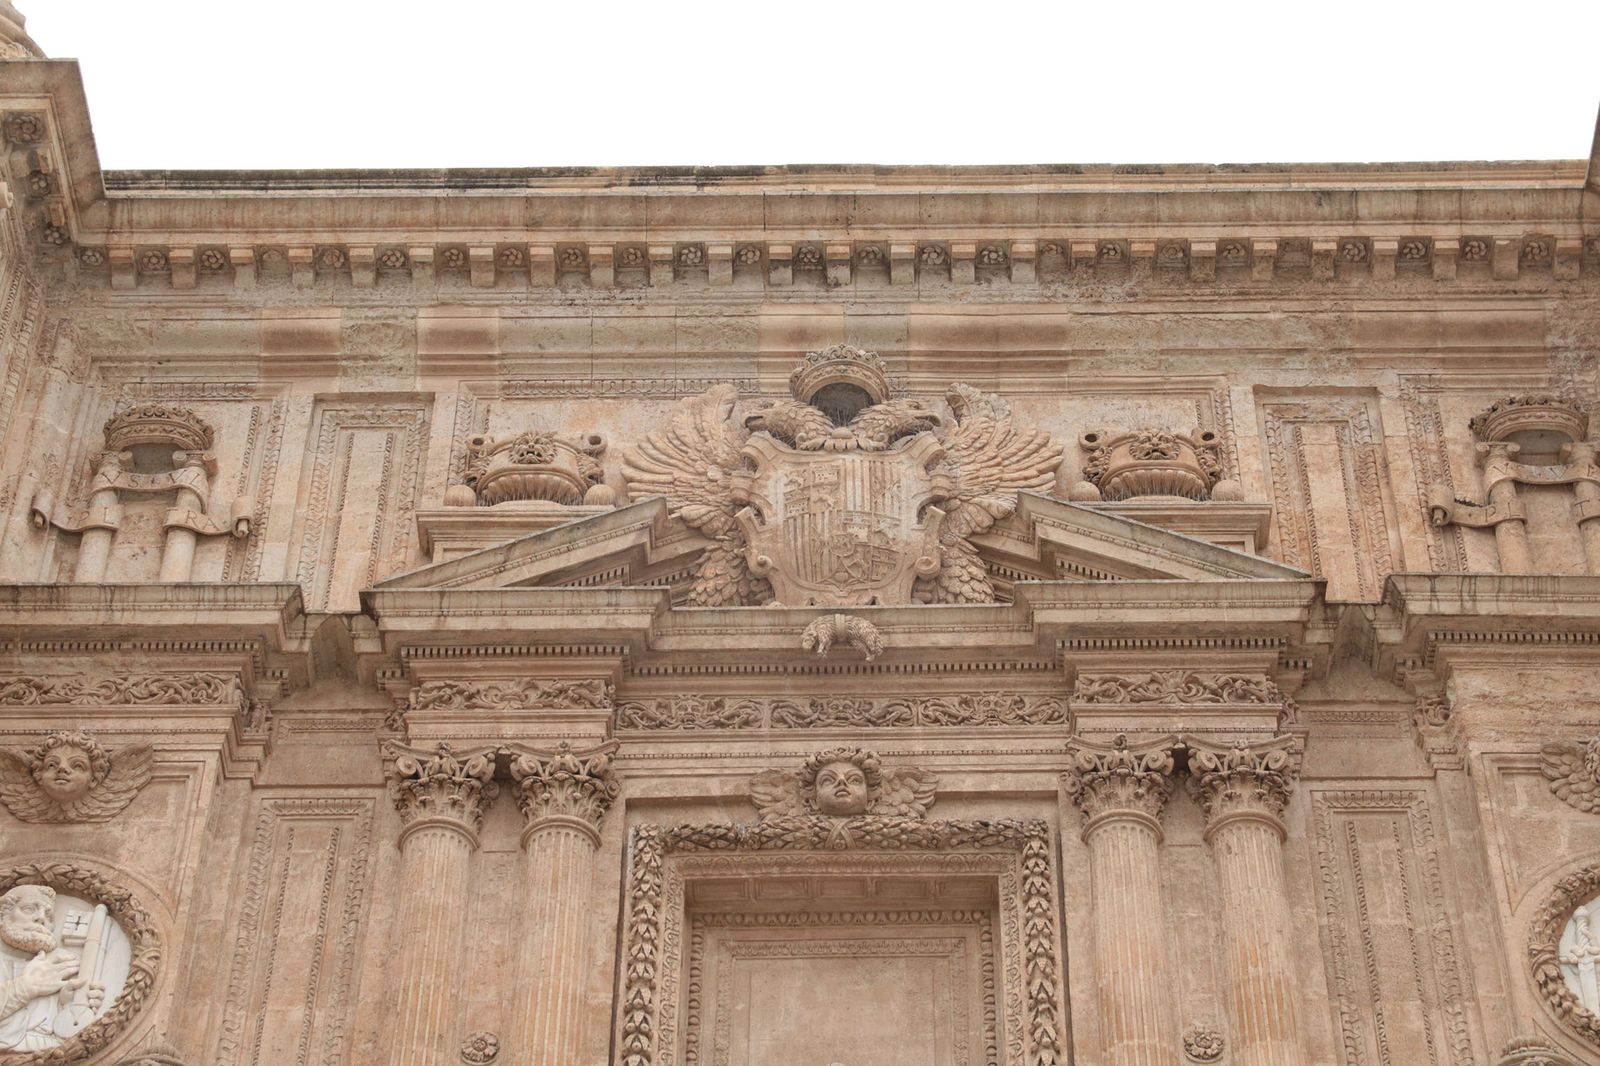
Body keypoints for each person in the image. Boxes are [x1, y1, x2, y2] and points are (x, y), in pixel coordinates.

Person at [0, 885, 102, 1051]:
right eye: (28, 909)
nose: (41, 918)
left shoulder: (54, 968)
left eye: (48, 915)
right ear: (2, 916)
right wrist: (26, 987)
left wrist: (69, 1007)